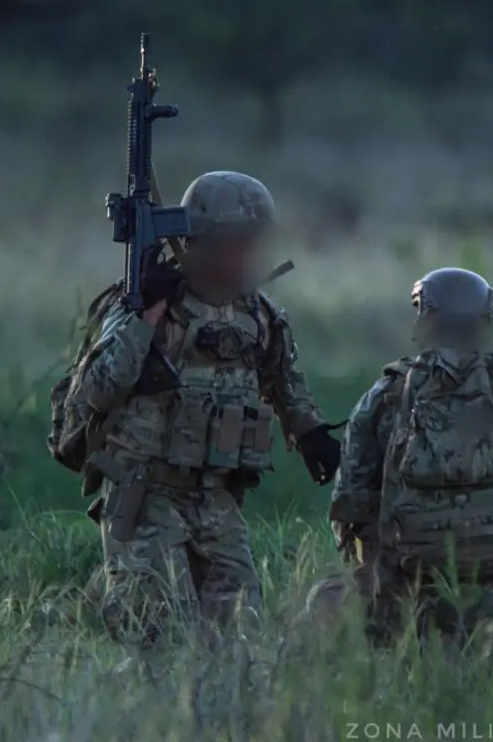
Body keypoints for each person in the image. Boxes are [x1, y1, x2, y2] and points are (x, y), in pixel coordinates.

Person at [48, 171, 341, 662]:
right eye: (233, 244)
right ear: (198, 244)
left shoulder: (258, 316)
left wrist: (310, 432)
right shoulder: (148, 306)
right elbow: (95, 390)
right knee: (159, 635)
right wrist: (144, 320)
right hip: (146, 494)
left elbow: (284, 380)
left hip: (217, 500)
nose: (243, 257)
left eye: (252, 243)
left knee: (240, 635)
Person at [316, 267, 493, 679]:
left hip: (409, 591)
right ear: (487, 316)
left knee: (414, 697)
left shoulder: (388, 393)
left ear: (423, 316)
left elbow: (348, 503)